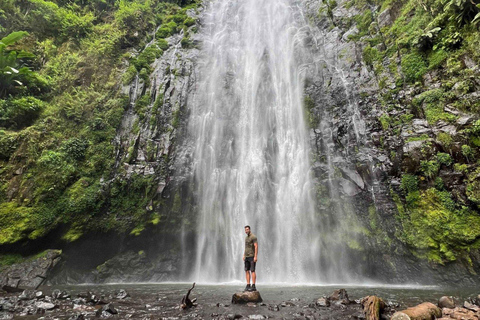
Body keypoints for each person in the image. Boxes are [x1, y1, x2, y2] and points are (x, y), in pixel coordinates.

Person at [243, 225, 258, 292]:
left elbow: (256, 246)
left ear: (249, 229)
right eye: (245, 230)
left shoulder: (253, 237)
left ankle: (253, 285)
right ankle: (248, 285)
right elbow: (246, 247)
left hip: (252, 256)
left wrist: (255, 256)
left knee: (252, 270)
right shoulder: (246, 238)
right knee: (246, 270)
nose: (246, 231)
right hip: (247, 256)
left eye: (247, 229)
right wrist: (244, 255)